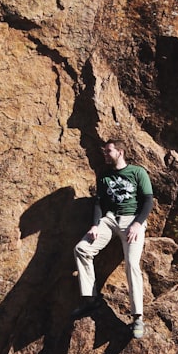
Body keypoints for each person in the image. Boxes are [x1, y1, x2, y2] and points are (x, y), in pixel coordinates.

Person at [72, 139, 153, 338]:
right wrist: (95, 224)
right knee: (81, 249)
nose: (105, 155)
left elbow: (148, 201)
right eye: (104, 152)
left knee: (132, 265)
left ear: (120, 152)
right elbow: (99, 203)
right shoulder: (104, 175)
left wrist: (137, 223)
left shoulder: (137, 172)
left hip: (131, 221)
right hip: (109, 220)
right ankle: (91, 299)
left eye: (109, 151)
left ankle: (137, 318)